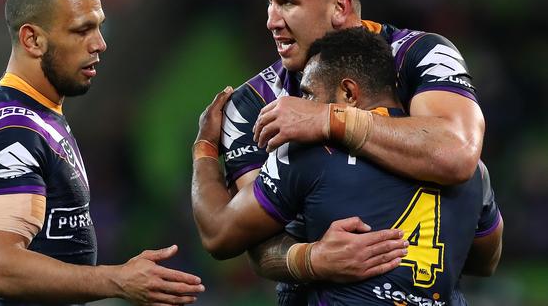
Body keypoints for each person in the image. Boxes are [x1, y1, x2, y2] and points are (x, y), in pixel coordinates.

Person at [211, 0, 487, 303]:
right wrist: (309, 259)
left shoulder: (420, 55)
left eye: (287, 2)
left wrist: (331, 120)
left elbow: (457, 154)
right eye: (269, 0)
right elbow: (248, 238)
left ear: (340, 7)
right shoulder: (252, 103)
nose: (271, 20)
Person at [192, 27, 503, 305]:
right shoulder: (476, 174)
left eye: (309, 94)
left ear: (348, 94)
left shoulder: (310, 154)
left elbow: (219, 234)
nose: (304, 105)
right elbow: (485, 261)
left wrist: (205, 149)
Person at [0, 0, 204, 305]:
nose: (100, 44)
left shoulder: (29, 110)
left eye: (99, 26)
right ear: (33, 39)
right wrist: (117, 280)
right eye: (81, 30)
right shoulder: (13, 131)